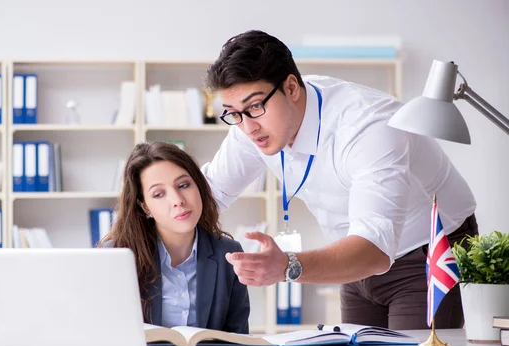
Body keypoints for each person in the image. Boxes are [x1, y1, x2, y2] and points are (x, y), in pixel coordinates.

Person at [201, 30, 478, 330]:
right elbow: (209, 193)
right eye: (233, 113)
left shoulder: (368, 126)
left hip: (427, 253)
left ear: (291, 88)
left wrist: (287, 266)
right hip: (354, 257)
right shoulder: (250, 123)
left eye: (255, 106)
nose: (247, 127)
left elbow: (374, 248)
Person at [99, 141, 250, 334]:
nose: (178, 200)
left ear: (199, 186)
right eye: (159, 194)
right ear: (145, 207)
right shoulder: (117, 256)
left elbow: (238, 341)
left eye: (183, 185)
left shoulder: (228, 254)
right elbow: (107, 335)